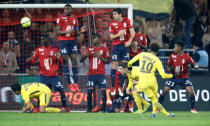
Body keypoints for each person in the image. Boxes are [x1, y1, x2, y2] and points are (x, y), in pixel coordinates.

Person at [128, 43, 174, 117]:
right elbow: (163, 75)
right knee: (156, 100)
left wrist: (129, 67)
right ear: (157, 51)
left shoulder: (142, 54)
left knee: (153, 100)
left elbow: (130, 62)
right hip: (152, 82)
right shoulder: (157, 60)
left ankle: (160, 114)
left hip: (143, 83)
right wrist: (172, 75)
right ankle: (157, 113)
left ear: (150, 48)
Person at [27, 35, 69, 112]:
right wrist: (30, 60)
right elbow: (33, 61)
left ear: (48, 40)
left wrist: (59, 58)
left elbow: (61, 61)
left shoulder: (55, 50)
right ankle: (38, 108)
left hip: (54, 76)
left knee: (61, 90)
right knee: (41, 92)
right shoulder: (38, 50)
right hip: (44, 76)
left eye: (44, 39)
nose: (42, 41)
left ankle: (65, 107)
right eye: (41, 39)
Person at [159, 41, 199, 113]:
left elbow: (194, 63)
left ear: (179, 48)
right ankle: (157, 108)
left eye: (175, 46)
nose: (174, 48)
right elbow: (168, 66)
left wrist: (196, 66)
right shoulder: (172, 56)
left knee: (191, 91)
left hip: (184, 78)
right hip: (174, 77)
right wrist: (171, 70)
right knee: (165, 90)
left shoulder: (187, 56)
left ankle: (192, 109)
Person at [57, 4, 86, 92]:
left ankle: (76, 84)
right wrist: (67, 31)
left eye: (68, 9)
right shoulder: (60, 18)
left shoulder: (75, 19)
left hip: (72, 42)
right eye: (65, 9)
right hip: (63, 42)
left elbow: (76, 33)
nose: (67, 10)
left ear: (71, 10)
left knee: (74, 61)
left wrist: (80, 31)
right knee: (65, 61)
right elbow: (58, 32)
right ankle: (70, 83)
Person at [80, 34, 110, 112]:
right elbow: (81, 60)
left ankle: (104, 109)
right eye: (92, 39)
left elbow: (107, 61)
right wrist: (84, 55)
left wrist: (99, 56)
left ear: (99, 39)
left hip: (101, 74)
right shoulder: (89, 49)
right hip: (91, 75)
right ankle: (89, 110)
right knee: (89, 92)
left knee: (103, 91)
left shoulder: (104, 49)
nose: (93, 40)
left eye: (94, 38)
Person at [109, 8, 135, 91]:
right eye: (113, 14)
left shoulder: (126, 21)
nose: (114, 16)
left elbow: (133, 33)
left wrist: (130, 41)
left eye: (115, 14)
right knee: (114, 65)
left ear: (120, 14)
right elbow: (111, 37)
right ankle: (113, 86)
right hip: (116, 47)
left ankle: (120, 86)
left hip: (124, 46)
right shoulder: (112, 23)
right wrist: (118, 34)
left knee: (124, 67)